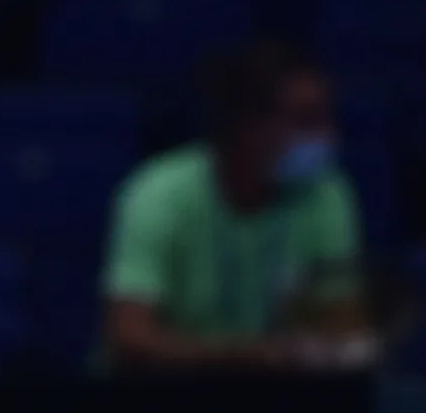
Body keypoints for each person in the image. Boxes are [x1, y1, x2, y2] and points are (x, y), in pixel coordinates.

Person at [101, 44, 379, 373]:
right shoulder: (158, 194)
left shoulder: (327, 195)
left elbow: (338, 335)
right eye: (306, 120)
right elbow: (130, 338)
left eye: (326, 117)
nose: (327, 135)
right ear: (246, 127)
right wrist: (254, 357)